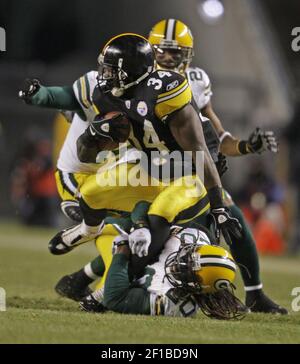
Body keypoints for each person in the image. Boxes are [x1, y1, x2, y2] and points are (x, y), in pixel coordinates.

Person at [19, 33, 242, 276]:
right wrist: (93, 135)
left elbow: (199, 151)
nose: (104, 76)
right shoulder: (104, 96)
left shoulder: (165, 92)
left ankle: (126, 281)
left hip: (190, 171)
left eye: (112, 70)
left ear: (131, 72)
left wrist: (219, 207)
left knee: (160, 213)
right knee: (90, 194)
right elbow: (86, 155)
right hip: (152, 167)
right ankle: (88, 229)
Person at [146, 19, 286, 314]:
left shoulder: (196, 80)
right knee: (141, 231)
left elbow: (219, 138)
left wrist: (247, 146)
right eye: (162, 51)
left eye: (175, 52)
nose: (169, 58)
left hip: (188, 167)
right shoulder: (141, 79)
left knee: (231, 217)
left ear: (188, 54)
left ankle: (254, 293)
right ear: (151, 51)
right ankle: (104, 282)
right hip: (149, 167)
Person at [79, 223, 246, 320]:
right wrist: (142, 228)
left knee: (117, 239)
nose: (178, 263)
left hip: (132, 275)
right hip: (139, 236)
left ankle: (83, 282)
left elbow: (115, 297)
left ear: (200, 288)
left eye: (187, 270)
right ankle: (79, 278)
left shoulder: (173, 303)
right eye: (187, 256)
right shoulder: (192, 235)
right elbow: (165, 221)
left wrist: (122, 251)